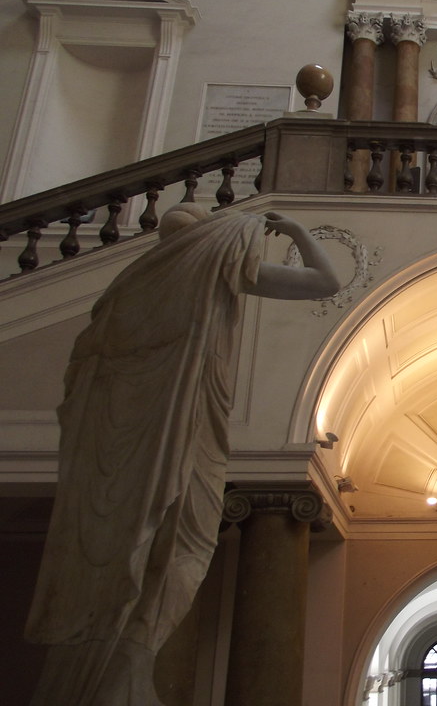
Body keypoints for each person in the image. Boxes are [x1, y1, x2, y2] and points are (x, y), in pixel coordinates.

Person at [25, 204, 340, 705]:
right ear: (207, 242)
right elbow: (325, 280)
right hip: (174, 420)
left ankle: (128, 661)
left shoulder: (127, 287)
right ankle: (128, 659)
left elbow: (90, 366)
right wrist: (298, 229)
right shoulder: (206, 266)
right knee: (177, 536)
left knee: (147, 535)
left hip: (129, 432)